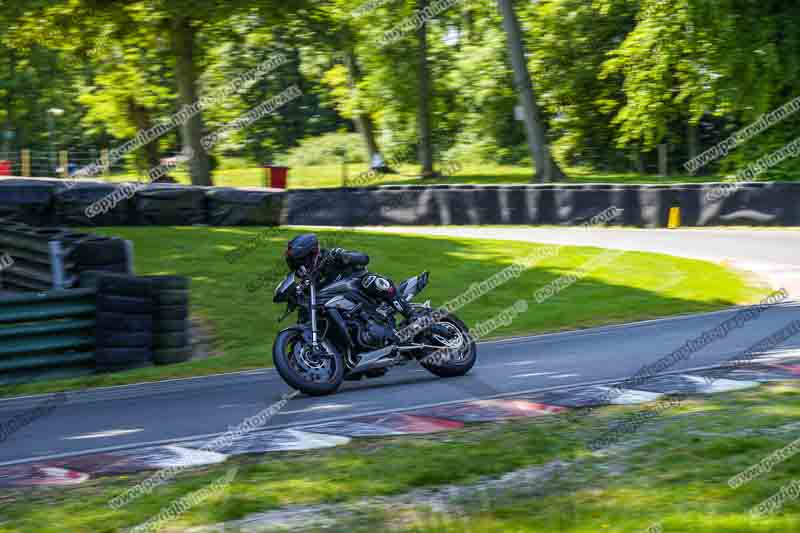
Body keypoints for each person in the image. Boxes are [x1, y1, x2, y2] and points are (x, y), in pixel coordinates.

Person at [284, 233, 416, 320]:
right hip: (342, 311)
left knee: (372, 281)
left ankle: (412, 316)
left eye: (301, 261)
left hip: (361, 294)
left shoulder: (331, 257)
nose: (300, 266)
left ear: (311, 254)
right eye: (295, 263)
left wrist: (346, 257)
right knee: (305, 313)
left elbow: (364, 258)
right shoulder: (308, 284)